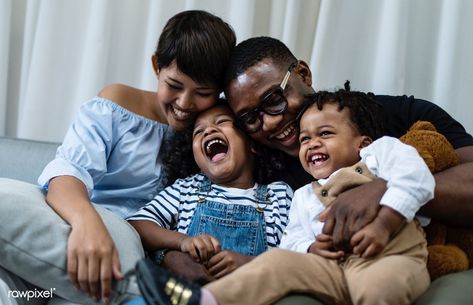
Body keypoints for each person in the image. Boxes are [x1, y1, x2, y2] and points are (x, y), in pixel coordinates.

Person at [0, 10, 235, 305]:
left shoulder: (214, 136)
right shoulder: (117, 105)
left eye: (203, 92)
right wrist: (87, 224)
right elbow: (69, 173)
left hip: (129, 248)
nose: (185, 104)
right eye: (174, 86)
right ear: (156, 66)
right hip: (76, 221)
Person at [221, 36, 473, 305]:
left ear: (303, 74)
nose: (269, 123)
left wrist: (380, 189)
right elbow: (289, 246)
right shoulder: (263, 166)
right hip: (330, 276)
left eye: (274, 99)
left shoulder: (396, 115)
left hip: (417, 262)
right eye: (250, 118)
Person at [133, 85, 436, 305]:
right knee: (279, 263)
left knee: (379, 287)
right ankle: (206, 300)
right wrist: (312, 249)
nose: (312, 144)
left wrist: (384, 223)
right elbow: (290, 242)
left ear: (362, 142)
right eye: (304, 139)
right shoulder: (304, 194)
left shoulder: (379, 154)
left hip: (389, 256)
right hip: (332, 270)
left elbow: (417, 177)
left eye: (325, 134)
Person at [127, 102, 292, 281]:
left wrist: (249, 263)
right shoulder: (187, 189)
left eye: (221, 122)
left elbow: (294, 262)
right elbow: (138, 224)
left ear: (252, 143)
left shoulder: (278, 196)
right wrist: (183, 241)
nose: (208, 131)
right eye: (198, 132)